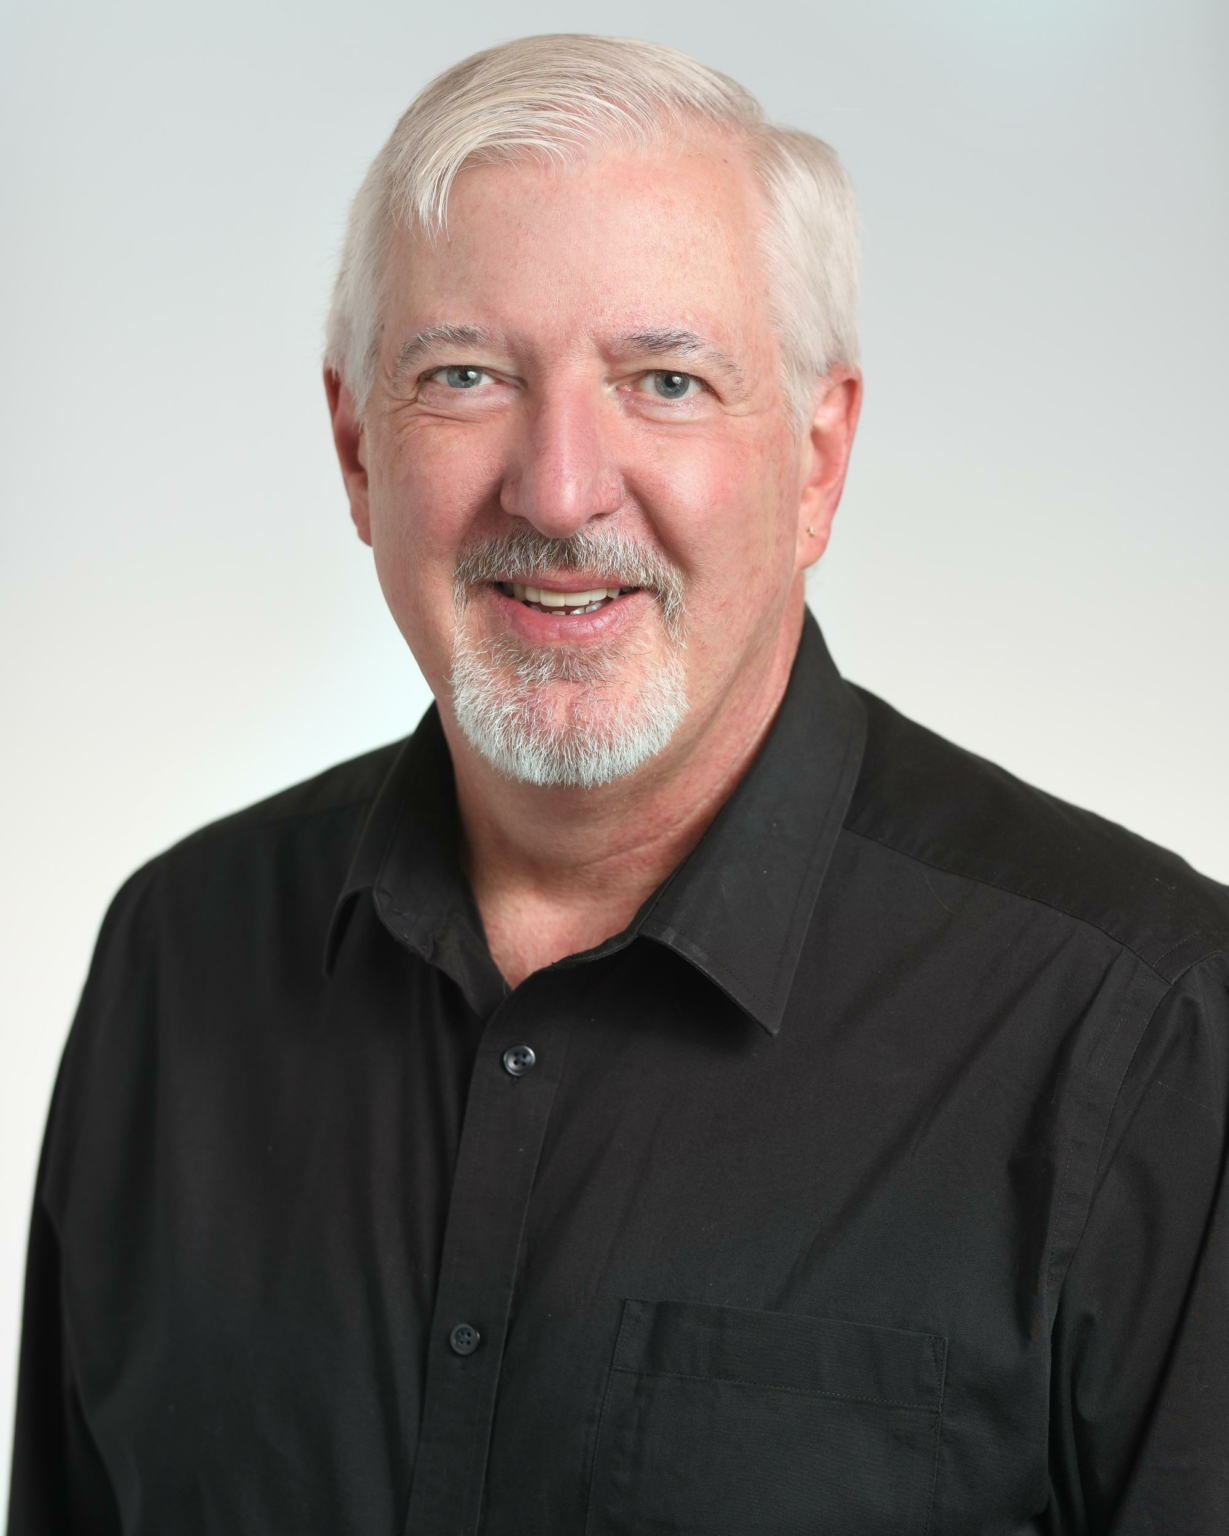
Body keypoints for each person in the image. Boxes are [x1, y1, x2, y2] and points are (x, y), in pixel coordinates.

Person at [7, 32, 1228, 1535]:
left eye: (665, 380)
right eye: (465, 376)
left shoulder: (1148, 1038)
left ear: (817, 461)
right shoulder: (175, 959)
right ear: (357, 448)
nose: (560, 487)